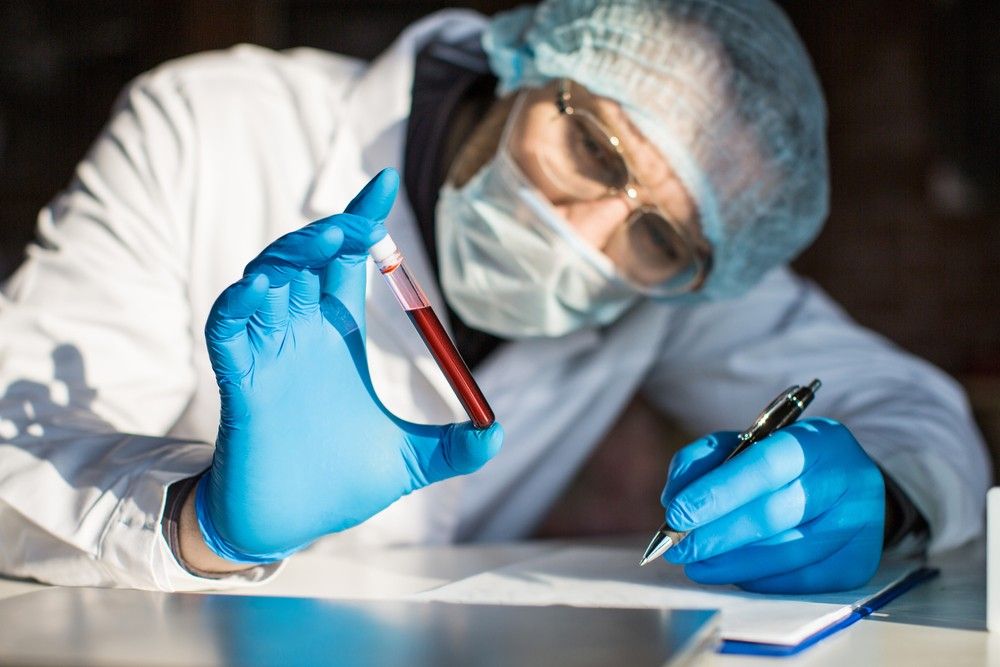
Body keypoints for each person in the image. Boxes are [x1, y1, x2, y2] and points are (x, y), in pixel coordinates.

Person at [0, 0, 989, 594]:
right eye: (593, 149)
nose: (590, 233)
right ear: (532, 58)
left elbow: (921, 417)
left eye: (655, 235)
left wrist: (881, 497)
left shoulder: (668, 284)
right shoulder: (218, 126)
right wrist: (197, 520)